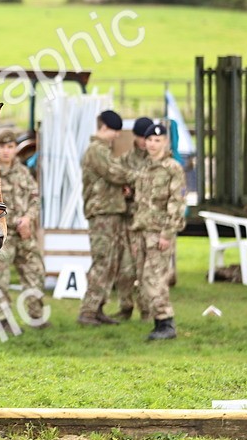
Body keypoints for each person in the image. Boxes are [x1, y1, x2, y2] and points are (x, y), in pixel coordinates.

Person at [77, 110, 135, 326]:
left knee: (111, 262)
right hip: (102, 213)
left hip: (111, 210)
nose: (117, 136)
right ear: (103, 129)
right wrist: (137, 176)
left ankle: (99, 307)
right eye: (114, 131)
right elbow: (114, 173)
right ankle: (88, 311)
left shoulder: (104, 150)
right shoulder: (96, 150)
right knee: (103, 261)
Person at [0, 130, 48, 329]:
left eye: (11, 147)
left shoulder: (22, 172)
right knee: (0, 279)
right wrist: (15, 221)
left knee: (35, 272)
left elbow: (35, 198)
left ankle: (36, 317)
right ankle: (2, 320)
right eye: (3, 147)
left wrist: (28, 219)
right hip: (2, 236)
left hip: (24, 233)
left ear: (15, 149)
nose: (6, 151)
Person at [132, 122, 186, 340]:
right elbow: (140, 203)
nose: (153, 144)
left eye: (158, 140)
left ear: (165, 142)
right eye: (150, 140)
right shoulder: (144, 168)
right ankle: (157, 322)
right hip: (142, 231)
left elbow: (177, 202)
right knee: (144, 279)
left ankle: (166, 323)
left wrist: (167, 233)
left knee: (155, 278)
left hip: (159, 232)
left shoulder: (172, 168)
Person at [113, 117, 155, 320]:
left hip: (149, 222)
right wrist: (126, 191)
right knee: (126, 268)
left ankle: (147, 310)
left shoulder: (157, 160)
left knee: (147, 269)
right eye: (141, 137)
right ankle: (125, 307)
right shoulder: (126, 160)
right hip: (129, 220)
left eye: (148, 137)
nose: (145, 142)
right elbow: (120, 183)